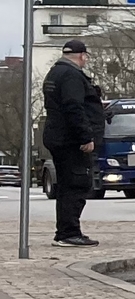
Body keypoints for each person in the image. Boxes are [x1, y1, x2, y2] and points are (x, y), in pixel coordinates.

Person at [41, 40, 107, 247]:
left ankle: (65, 231)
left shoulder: (55, 73)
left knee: (67, 186)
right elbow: (73, 107)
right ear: (82, 56)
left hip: (58, 136)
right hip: (71, 141)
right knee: (77, 184)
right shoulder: (71, 76)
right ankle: (69, 233)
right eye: (86, 57)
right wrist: (85, 137)